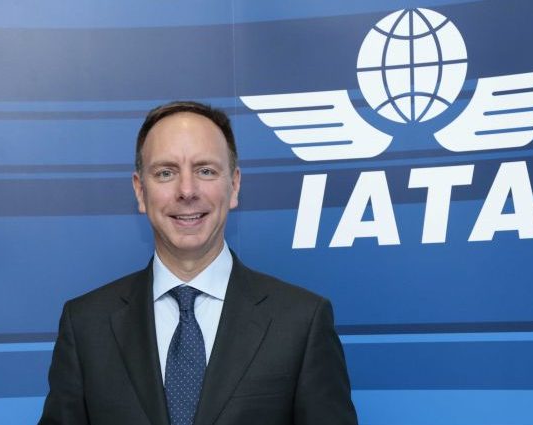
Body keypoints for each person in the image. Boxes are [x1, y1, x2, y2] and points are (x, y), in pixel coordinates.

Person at [39, 101, 358, 425]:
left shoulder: (302, 322)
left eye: (205, 171)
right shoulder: (85, 325)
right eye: (165, 173)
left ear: (234, 185)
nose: (187, 190)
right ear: (140, 190)